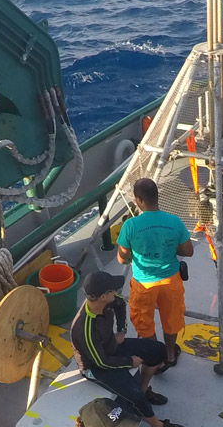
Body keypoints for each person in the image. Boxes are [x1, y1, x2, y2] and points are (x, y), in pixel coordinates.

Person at [70, 272, 182, 427]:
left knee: (158, 351)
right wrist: (130, 362)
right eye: (112, 290)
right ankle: (158, 424)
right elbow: (101, 362)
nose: (116, 292)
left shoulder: (107, 301)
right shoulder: (85, 329)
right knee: (135, 396)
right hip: (96, 366)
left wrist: (121, 330)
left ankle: (143, 390)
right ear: (103, 296)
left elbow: (121, 304)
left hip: (111, 347)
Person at [116, 178, 194, 367]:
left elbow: (121, 258)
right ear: (157, 197)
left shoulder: (130, 226)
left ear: (139, 200)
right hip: (171, 281)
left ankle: (154, 356)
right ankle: (169, 354)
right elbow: (188, 251)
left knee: (144, 321)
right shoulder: (174, 221)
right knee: (171, 319)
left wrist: (134, 256)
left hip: (144, 284)